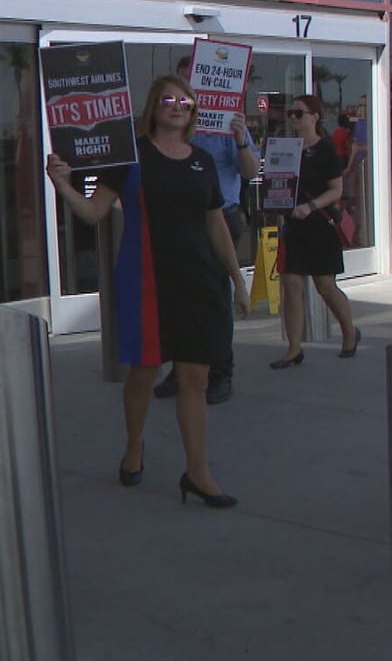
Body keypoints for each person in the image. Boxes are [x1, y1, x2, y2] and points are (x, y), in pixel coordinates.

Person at [46, 75, 248, 507]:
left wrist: (238, 277)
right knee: (144, 370)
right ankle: (135, 445)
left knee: (194, 377)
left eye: (186, 102)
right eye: (169, 100)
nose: (177, 106)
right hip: (146, 282)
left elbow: (216, 225)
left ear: (193, 112)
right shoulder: (129, 157)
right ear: (154, 106)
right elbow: (93, 212)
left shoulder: (203, 160)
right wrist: (62, 184)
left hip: (200, 282)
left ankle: (198, 472)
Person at [154, 57, 259, 405]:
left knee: (215, 299)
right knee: (176, 294)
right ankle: (180, 367)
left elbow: (250, 171)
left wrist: (241, 139)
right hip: (178, 222)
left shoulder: (227, 125)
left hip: (221, 217)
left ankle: (221, 371)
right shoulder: (175, 128)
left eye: (192, 84)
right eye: (183, 86)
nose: (188, 93)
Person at [271, 95, 360, 369]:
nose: (294, 118)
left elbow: (336, 190)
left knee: (325, 286)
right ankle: (294, 347)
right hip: (294, 226)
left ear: (314, 117)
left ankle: (349, 332)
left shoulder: (325, 149)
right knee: (292, 285)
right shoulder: (285, 148)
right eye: (291, 113)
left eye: (299, 113)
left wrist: (310, 206)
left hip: (319, 224)